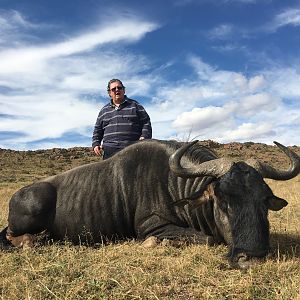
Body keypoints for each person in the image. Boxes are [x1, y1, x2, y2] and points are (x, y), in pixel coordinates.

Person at [92, 79, 152, 159]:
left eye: (119, 88)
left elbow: (146, 122)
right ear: (109, 93)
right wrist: (96, 144)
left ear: (124, 90)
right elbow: (97, 129)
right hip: (109, 152)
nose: (117, 90)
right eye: (113, 89)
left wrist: (145, 136)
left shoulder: (135, 105)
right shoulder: (104, 110)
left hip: (132, 150)